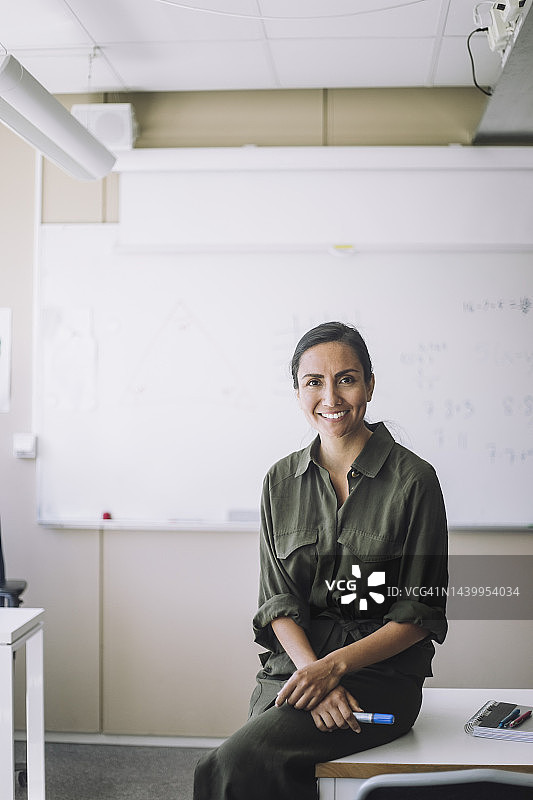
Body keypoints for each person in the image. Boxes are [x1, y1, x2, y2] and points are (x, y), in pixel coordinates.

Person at [193, 321, 448, 800]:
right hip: (293, 668)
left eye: (346, 378)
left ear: (370, 385)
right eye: (314, 382)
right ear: (298, 392)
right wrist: (315, 673)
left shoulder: (415, 481)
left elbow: (418, 615)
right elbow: (277, 602)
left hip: (378, 674)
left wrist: (334, 670)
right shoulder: (279, 481)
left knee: (231, 765)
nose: (330, 395)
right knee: (261, 771)